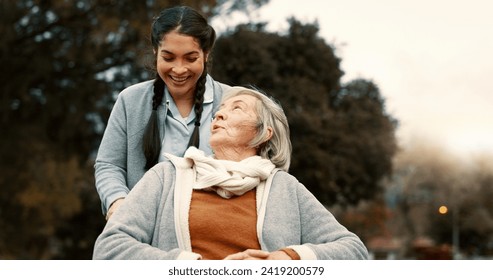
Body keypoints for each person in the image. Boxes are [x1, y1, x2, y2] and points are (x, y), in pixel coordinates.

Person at [92, 86, 369, 260]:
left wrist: (284, 260)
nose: (219, 116)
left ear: (263, 133)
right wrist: (193, 268)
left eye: (236, 109)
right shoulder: (167, 176)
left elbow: (353, 250)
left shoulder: (285, 187)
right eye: (220, 110)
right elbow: (109, 248)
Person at [94, 6, 230, 220]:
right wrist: (117, 201)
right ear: (156, 52)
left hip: (213, 230)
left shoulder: (235, 102)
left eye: (190, 58)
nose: (178, 69)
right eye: (168, 58)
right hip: (145, 229)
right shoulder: (130, 100)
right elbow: (109, 164)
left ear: (206, 54)